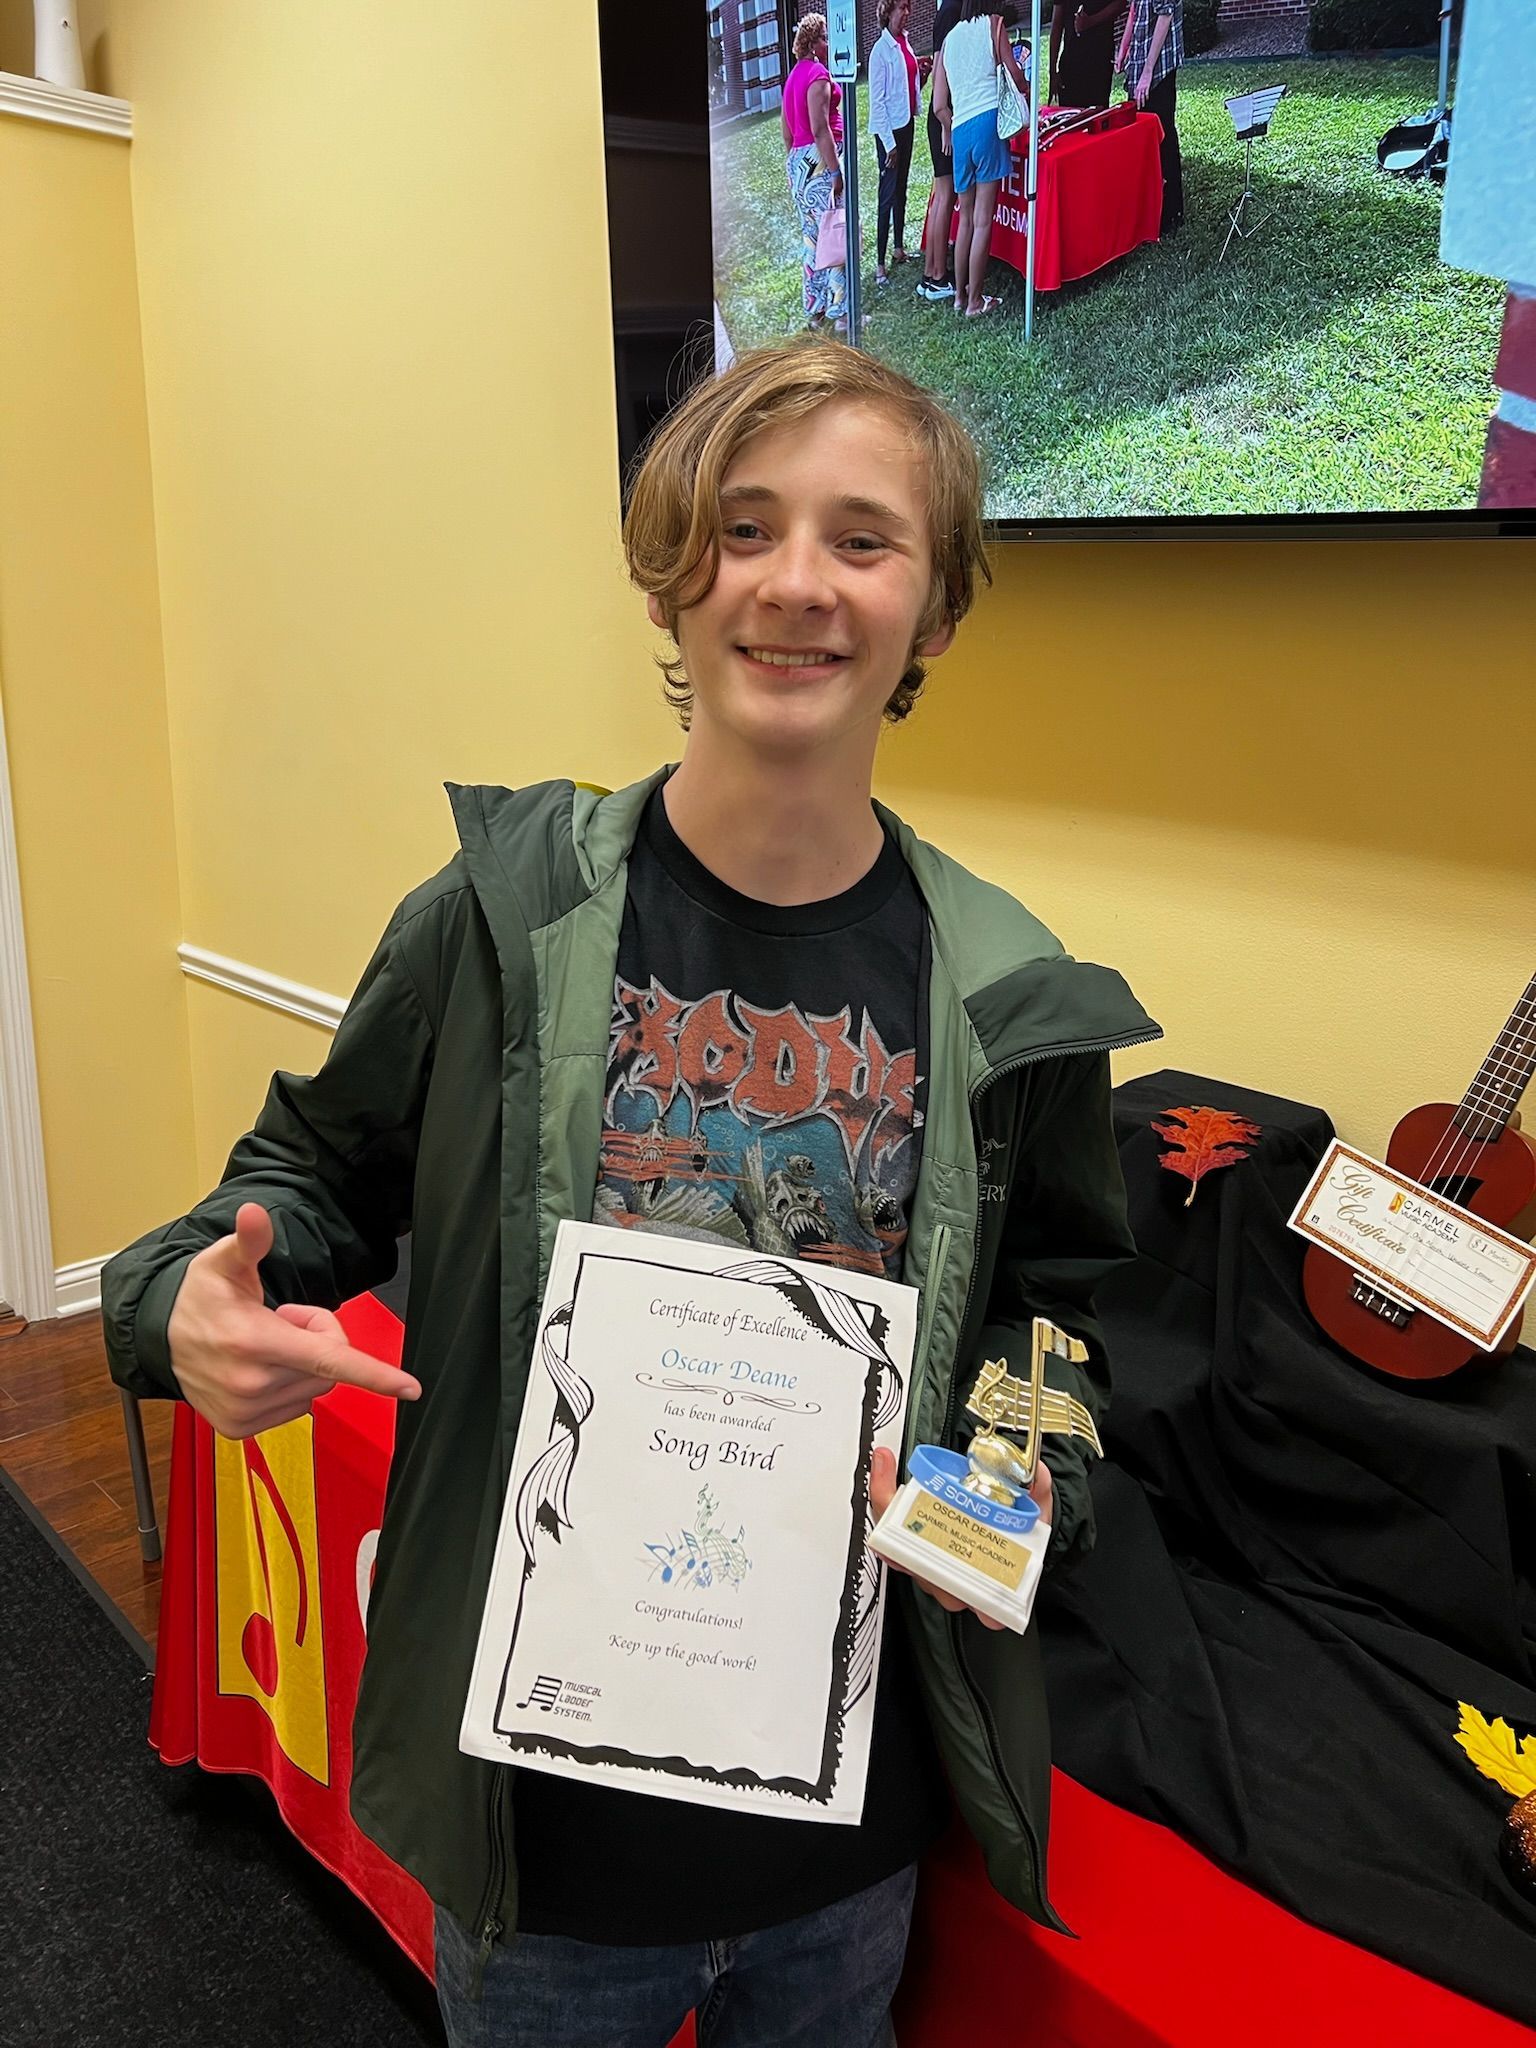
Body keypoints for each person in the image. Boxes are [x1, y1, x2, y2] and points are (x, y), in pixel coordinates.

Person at [103, 338, 1155, 2048]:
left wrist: (1003, 1497)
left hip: (845, 1836)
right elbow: (302, 1177)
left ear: (935, 612)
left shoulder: (1007, 994)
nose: (796, 582)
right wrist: (186, 1302)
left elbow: (1056, 1327)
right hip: (546, 1856)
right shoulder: (500, 919)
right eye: (744, 529)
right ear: (676, 577)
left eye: (862, 538)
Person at [933, 1, 1030, 317]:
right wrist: (1028, 88)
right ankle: (976, 301)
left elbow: (938, 105)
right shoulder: (994, 25)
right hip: (988, 123)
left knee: (966, 220)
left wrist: (950, 126)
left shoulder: (949, 39)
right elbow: (1015, 74)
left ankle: (960, 296)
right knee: (983, 219)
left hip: (960, 130)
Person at [781, 13, 847, 329]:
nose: (827, 43)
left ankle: (815, 309)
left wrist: (797, 169)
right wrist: (834, 171)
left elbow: (786, 131)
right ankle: (841, 311)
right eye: (824, 37)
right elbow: (820, 128)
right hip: (819, 160)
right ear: (813, 43)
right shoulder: (818, 75)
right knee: (834, 233)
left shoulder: (793, 76)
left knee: (812, 240)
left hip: (798, 160)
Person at [1116, 0, 1184, 233]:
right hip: (1139, 65)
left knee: (1163, 137)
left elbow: (1165, 16)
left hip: (1159, 69)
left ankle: (1172, 213)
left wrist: (1147, 73)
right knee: (1144, 140)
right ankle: (1150, 209)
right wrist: (1123, 49)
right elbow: (1134, 11)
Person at [868, 0, 921, 287]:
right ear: (887, 12)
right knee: (887, 193)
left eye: (908, 7)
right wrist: (889, 144)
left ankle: (898, 247)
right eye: (901, 7)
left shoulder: (905, 43)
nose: (906, 13)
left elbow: (906, 86)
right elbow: (876, 104)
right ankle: (879, 263)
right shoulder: (880, 51)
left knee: (902, 186)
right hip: (889, 131)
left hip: (906, 123)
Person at [916, 0, 965, 301]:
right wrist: (946, 123)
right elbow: (939, 75)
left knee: (941, 195)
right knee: (945, 196)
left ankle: (930, 273)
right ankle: (937, 277)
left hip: (942, 115)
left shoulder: (947, 9)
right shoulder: (951, 11)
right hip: (944, 115)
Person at [1049, 0, 1119, 108]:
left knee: (1097, 115)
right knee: (1070, 116)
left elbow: (1120, 4)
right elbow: (1056, 24)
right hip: (1071, 62)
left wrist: (1091, 21)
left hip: (1099, 60)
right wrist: (1052, 71)